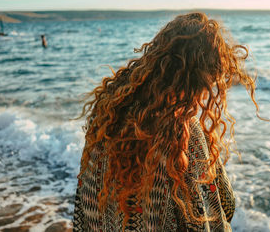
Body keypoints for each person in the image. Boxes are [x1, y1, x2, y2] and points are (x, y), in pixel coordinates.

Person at [72, 12, 260, 231]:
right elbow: (221, 210)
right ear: (200, 79)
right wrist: (208, 153)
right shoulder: (181, 133)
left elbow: (82, 206)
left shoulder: (106, 111)